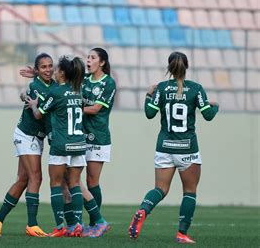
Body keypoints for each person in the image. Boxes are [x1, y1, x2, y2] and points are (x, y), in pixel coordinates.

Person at [128, 51, 219, 243]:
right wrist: (215, 106)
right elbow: (209, 115)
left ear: (169, 67)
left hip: (164, 147)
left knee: (160, 188)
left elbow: (149, 113)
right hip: (187, 149)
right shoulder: (195, 88)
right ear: (187, 67)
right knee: (189, 191)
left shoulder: (160, 88)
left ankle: (143, 210)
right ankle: (182, 234)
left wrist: (147, 95)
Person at [0, 53, 55, 237]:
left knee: (23, 179)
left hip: (36, 137)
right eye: (43, 67)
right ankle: (32, 225)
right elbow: (40, 111)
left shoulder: (51, 85)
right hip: (27, 135)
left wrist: (35, 74)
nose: (48, 69)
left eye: (50, 66)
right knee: (36, 177)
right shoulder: (35, 86)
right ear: (37, 69)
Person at [27, 56, 86, 237]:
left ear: (61, 73)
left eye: (56, 69)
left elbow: (38, 115)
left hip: (61, 144)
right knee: (75, 184)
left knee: (56, 184)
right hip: (78, 144)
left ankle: (60, 226)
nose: (53, 72)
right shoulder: (78, 91)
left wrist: (33, 105)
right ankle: (77, 225)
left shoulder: (56, 92)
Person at [78, 47, 116, 237]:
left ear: (102, 62)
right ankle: (88, 222)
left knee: (92, 181)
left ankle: (95, 223)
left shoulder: (108, 83)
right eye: (88, 57)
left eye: (93, 58)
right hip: (79, 135)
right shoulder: (84, 80)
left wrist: (72, 107)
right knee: (73, 179)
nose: (88, 60)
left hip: (98, 136)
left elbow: (94, 109)